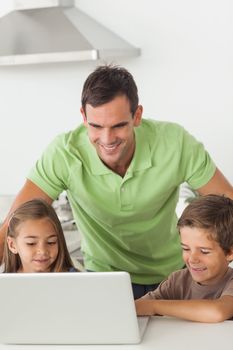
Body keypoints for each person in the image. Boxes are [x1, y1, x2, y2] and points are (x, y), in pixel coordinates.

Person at [0, 65, 233, 297]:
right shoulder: (64, 153)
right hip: (105, 278)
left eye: (119, 126)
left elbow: (228, 206)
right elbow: (13, 224)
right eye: (96, 126)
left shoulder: (175, 143)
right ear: (83, 116)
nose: (107, 139)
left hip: (174, 275)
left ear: (137, 116)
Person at [135, 194, 233, 322]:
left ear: (230, 252)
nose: (192, 259)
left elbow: (217, 312)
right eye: (186, 249)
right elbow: (138, 307)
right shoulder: (176, 281)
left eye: (204, 251)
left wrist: (153, 306)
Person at [2, 199, 76, 273]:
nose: (42, 251)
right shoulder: (4, 283)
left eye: (51, 242)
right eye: (31, 243)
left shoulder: (75, 280)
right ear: (12, 245)